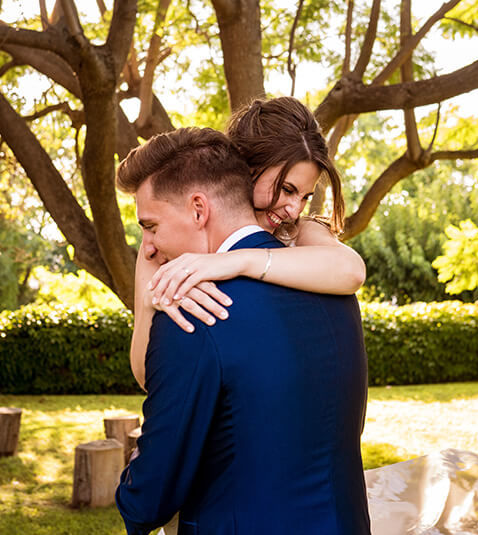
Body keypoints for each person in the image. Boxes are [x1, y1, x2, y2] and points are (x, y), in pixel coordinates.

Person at [113, 127, 371, 535]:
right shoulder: (335, 293)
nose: (292, 209)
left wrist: (131, 484)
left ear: (199, 209)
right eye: (285, 189)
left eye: (151, 226)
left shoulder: (198, 309)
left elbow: (149, 499)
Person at [129, 96, 366, 388]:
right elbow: (146, 377)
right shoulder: (163, 244)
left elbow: (352, 271)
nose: (294, 210)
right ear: (246, 168)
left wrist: (237, 261)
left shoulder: (299, 231)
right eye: (287, 189)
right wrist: (150, 304)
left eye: (305, 196)